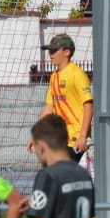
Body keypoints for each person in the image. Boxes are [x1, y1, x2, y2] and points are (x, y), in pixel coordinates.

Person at [37, 34, 93, 163]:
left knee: (61, 171)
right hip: (61, 137)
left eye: (54, 51)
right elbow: (49, 107)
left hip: (76, 139)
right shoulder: (54, 77)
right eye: (49, 51)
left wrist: (83, 136)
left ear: (67, 52)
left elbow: (89, 105)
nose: (50, 55)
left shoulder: (77, 74)